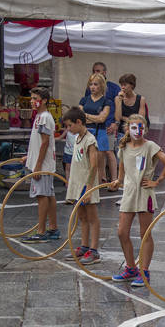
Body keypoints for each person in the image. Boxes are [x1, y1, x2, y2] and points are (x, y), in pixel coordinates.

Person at [110, 115, 165, 286]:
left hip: (145, 194)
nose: (137, 131)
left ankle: (144, 271)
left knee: (145, 234)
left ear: (145, 129)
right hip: (129, 194)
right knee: (122, 232)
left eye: (141, 128)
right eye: (134, 127)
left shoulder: (150, 146)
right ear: (128, 128)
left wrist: (157, 181)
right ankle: (131, 268)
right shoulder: (123, 147)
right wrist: (118, 181)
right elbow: (122, 171)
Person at [62, 107, 101, 265]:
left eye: (70, 126)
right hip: (77, 183)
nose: (68, 129)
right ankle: (84, 246)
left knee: (92, 217)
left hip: (86, 184)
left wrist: (89, 188)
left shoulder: (90, 140)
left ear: (79, 122)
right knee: (82, 217)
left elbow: (93, 165)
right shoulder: (78, 138)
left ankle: (94, 250)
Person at [20, 87, 59, 243]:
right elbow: (39, 144)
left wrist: (37, 166)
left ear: (43, 101)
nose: (31, 101)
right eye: (31, 98)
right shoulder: (40, 117)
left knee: (42, 196)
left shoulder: (44, 117)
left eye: (34, 98)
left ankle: (42, 231)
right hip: (42, 163)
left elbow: (45, 143)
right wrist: (29, 156)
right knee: (48, 195)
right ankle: (53, 228)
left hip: (43, 165)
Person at [79, 73, 116, 187]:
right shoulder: (84, 100)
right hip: (85, 132)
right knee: (83, 161)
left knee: (98, 164)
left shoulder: (107, 101)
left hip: (99, 133)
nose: (92, 87)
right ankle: (83, 186)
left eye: (95, 84)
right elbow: (80, 117)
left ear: (101, 86)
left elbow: (102, 119)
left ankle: (96, 188)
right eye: (91, 84)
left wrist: (87, 116)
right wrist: (94, 118)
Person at [113, 73, 147, 145]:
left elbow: (140, 120)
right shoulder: (118, 99)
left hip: (136, 133)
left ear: (132, 85)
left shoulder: (141, 99)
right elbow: (117, 118)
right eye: (121, 85)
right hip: (122, 133)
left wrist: (124, 118)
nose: (122, 87)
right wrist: (119, 101)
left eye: (125, 85)